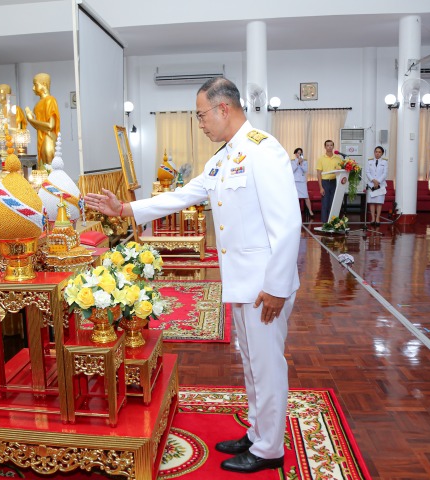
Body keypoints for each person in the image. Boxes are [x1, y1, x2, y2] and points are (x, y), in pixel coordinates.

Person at [84, 77, 301, 474]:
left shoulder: (263, 151)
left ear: (223, 109)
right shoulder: (224, 158)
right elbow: (183, 194)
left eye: (201, 115)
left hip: (265, 286)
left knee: (268, 365)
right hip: (242, 283)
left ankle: (270, 449)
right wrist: (124, 210)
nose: (199, 123)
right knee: (253, 363)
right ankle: (257, 432)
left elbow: (288, 224)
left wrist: (277, 287)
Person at [24, 73, 60, 169]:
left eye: (35, 84)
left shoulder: (50, 100)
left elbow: (50, 126)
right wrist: (32, 120)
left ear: (44, 84)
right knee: (43, 170)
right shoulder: (38, 104)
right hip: (41, 138)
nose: (33, 88)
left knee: (49, 169)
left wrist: (31, 120)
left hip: (48, 138)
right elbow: (38, 126)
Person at [316, 140, 343, 223]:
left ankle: (333, 222)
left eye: (331, 145)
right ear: (325, 147)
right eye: (327, 145)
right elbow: (319, 174)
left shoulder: (338, 158)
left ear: (333, 147)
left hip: (334, 182)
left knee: (333, 203)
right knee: (325, 204)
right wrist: (321, 187)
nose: (329, 147)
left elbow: (341, 171)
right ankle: (324, 224)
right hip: (325, 182)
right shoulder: (321, 159)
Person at [365, 146, 388, 227]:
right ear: (374, 152)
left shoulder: (384, 162)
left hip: (380, 185)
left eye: (379, 152)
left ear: (382, 153)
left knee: (379, 202)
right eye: (376, 152)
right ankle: (372, 218)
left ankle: (378, 218)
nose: (377, 153)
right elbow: (367, 172)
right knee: (372, 202)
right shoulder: (369, 161)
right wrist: (373, 180)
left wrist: (378, 181)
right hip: (372, 184)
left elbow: (385, 173)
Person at [291, 147, 314, 218]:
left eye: (300, 153)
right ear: (295, 154)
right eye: (298, 153)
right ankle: (295, 213)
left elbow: (305, 170)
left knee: (306, 197)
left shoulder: (305, 161)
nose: (299, 154)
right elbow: (292, 170)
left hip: (302, 181)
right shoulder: (292, 161)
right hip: (295, 181)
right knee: (295, 198)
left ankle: (310, 211)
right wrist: (297, 163)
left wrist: (301, 164)